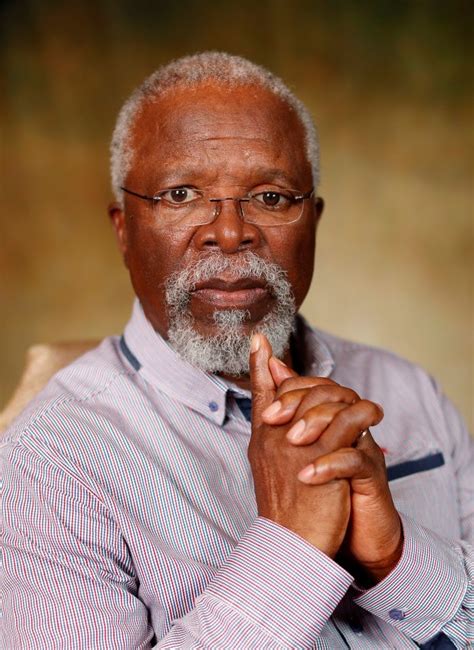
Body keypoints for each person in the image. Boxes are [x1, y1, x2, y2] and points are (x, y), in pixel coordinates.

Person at [2, 52, 472, 649]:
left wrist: (398, 561)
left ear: (315, 222)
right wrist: (289, 555)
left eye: (271, 197)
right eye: (181, 194)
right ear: (123, 229)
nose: (230, 232)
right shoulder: (46, 467)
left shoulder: (409, 391)